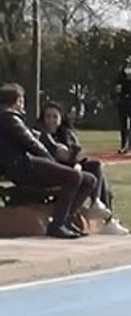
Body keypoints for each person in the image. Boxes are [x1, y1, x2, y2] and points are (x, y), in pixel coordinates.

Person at [0, 84, 96, 238]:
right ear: (17, 101)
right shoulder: (9, 118)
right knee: (74, 176)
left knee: (89, 180)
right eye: (22, 100)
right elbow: (32, 143)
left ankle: (66, 219)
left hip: (19, 166)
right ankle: (57, 225)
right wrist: (53, 163)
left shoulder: (9, 117)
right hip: (21, 166)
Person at [35, 102, 129, 235]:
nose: (51, 121)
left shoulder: (66, 133)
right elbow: (50, 157)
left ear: (61, 119)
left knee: (96, 166)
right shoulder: (40, 135)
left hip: (72, 170)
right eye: (48, 117)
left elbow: (77, 152)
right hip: (55, 173)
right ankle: (106, 216)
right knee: (92, 179)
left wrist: (76, 164)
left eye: (55, 117)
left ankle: (98, 204)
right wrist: (73, 164)